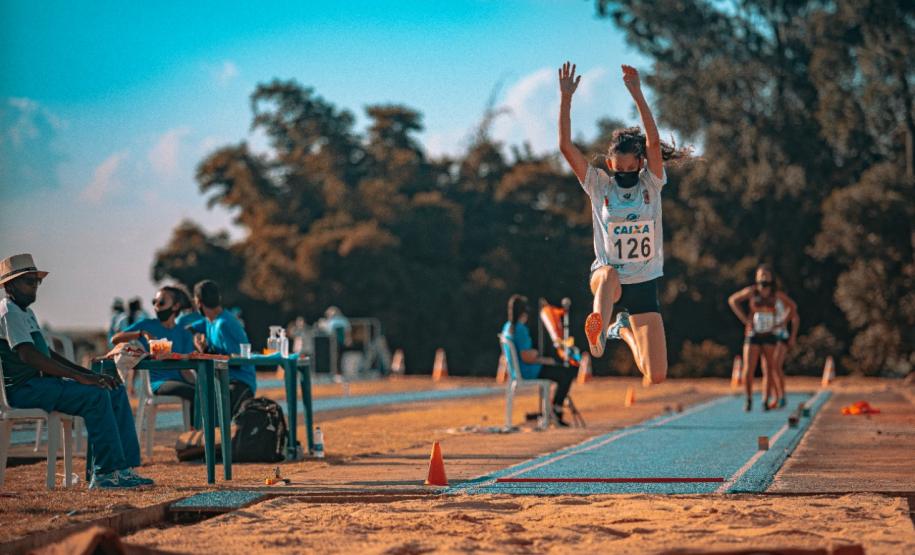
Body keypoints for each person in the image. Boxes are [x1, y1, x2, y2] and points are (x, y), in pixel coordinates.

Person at [558, 62, 691, 385]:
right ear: (609, 164)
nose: (626, 176)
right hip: (607, 280)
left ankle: (623, 330)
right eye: (620, 170)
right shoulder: (600, 185)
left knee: (656, 374)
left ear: (641, 164)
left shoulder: (651, 184)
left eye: (632, 169)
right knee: (609, 274)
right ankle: (600, 335)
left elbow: (655, 144)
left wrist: (637, 93)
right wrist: (566, 98)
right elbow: (565, 147)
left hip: (645, 284)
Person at [0, 253, 153, 488]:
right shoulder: (8, 312)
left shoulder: (25, 312)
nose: (35, 288)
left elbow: (47, 353)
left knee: (112, 387)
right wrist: (80, 377)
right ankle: (104, 473)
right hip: (25, 390)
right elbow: (27, 355)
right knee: (95, 396)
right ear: (10, 285)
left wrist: (89, 375)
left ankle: (123, 468)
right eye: (29, 282)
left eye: (36, 282)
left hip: (42, 386)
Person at [110, 285, 197, 419]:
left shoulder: (184, 333)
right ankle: (194, 430)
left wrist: (200, 383)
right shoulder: (147, 325)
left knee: (206, 391)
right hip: (157, 382)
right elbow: (115, 339)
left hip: (179, 380)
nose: (156, 306)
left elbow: (185, 370)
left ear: (175, 306)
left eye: (161, 303)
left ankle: (206, 432)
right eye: (154, 302)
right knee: (193, 392)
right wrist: (140, 333)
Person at [728, 264, 795, 411]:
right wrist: (745, 320)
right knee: (749, 367)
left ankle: (766, 399)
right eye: (761, 275)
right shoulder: (752, 291)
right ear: (757, 277)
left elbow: (792, 307)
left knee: (769, 368)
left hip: (769, 334)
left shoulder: (775, 294)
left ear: (771, 277)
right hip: (754, 333)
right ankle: (748, 398)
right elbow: (732, 300)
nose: (763, 277)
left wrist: (782, 323)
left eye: (766, 274)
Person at [501, 294, 576, 426]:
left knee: (559, 372)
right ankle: (556, 411)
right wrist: (544, 359)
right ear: (523, 312)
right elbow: (527, 357)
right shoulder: (520, 329)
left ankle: (550, 410)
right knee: (566, 373)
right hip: (529, 371)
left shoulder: (507, 327)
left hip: (516, 372)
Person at [190, 280, 256, 415]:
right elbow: (184, 329)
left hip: (238, 383)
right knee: (196, 395)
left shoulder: (224, 324)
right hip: (225, 380)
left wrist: (205, 351)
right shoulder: (210, 321)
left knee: (202, 402)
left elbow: (235, 360)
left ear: (198, 302)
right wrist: (199, 343)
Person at [764, 286, 799, 409]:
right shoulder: (764, 301)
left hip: (781, 336)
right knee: (768, 367)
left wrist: (793, 336)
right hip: (768, 336)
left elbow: (795, 318)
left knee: (776, 365)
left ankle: (782, 396)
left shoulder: (782, 300)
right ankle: (775, 396)